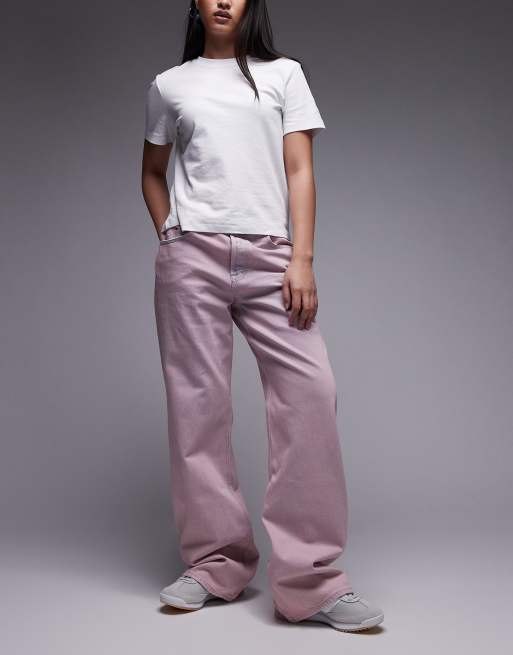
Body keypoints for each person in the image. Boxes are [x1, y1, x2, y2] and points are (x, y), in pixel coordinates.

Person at [141, 0, 384, 632]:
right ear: (195, 3)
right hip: (190, 258)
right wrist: (171, 235)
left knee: (310, 394)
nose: (224, 0)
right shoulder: (170, 85)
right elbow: (152, 172)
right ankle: (215, 564)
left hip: (272, 259)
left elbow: (300, 170)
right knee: (197, 407)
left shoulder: (284, 74)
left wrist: (301, 259)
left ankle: (310, 581)